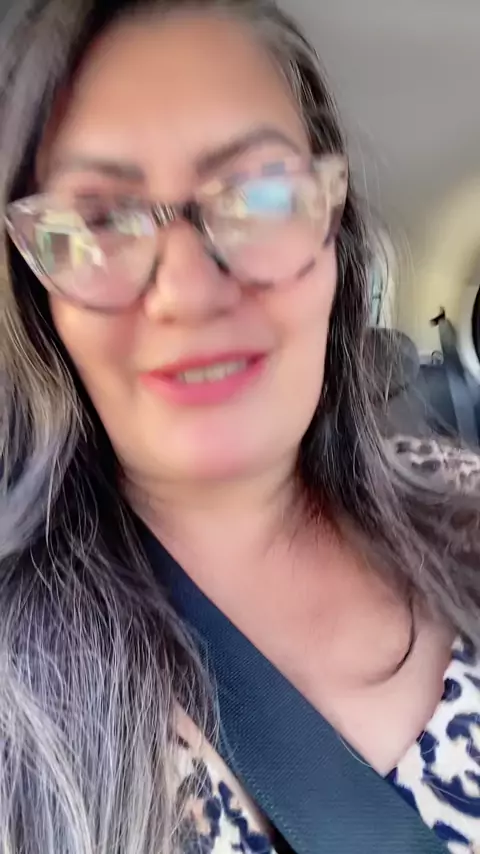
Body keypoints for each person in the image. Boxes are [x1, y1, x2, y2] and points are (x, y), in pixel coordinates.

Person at [1, 1, 480, 851]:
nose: (188, 292)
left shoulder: (466, 499)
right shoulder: (19, 706)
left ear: (333, 230)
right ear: (40, 295)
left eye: (260, 195)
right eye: (99, 221)